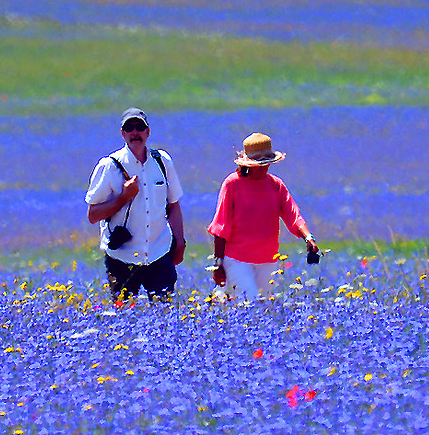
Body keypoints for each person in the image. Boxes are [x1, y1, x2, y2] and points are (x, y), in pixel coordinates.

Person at [84, 109, 187, 300]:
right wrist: (123, 197)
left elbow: (173, 205)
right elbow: (92, 214)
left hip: (159, 252)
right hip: (122, 257)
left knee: (165, 315)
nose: (135, 132)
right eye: (129, 128)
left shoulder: (162, 162)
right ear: (122, 134)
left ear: (148, 132)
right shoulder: (109, 166)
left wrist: (179, 242)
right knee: (124, 317)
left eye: (139, 127)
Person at [207, 131, 321, 303]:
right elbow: (220, 226)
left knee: (265, 309)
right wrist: (218, 265)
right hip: (237, 260)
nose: (264, 168)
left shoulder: (275, 185)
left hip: (268, 259)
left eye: (267, 164)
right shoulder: (232, 184)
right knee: (250, 304)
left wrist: (308, 237)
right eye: (259, 164)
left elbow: (293, 214)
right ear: (248, 164)